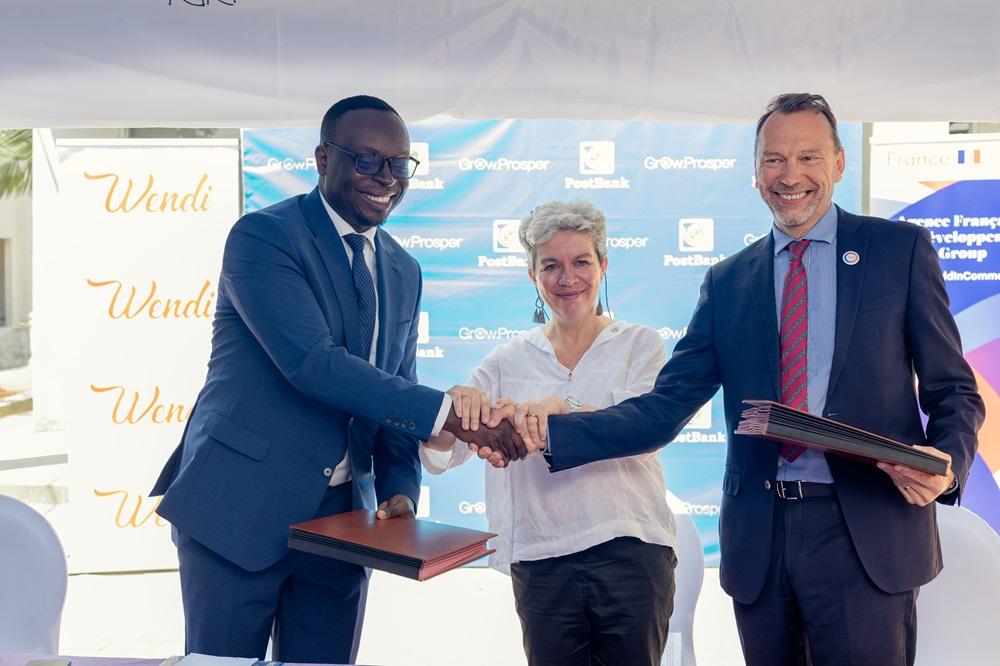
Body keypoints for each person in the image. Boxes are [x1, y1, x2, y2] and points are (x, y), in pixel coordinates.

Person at [501, 94, 984, 665]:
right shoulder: (729, 280)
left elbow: (953, 389)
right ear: (756, 173)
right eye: (774, 160)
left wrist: (944, 461)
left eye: (808, 157)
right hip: (764, 538)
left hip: (865, 534)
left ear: (838, 164)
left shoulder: (896, 251)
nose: (791, 176)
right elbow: (664, 407)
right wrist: (552, 434)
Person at [150, 94, 524, 663]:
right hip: (237, 511)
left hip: (344, 524)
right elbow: (312, 364)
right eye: (367, 160)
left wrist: (401, 487)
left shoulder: (403, 267)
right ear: (323, 158)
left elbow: (394, 382)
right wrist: (452, 419)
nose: (385, 178)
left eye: (399, 165)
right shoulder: (263, 237)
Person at [421, 200, 678, 666]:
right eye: (551, 266)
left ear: (603, 264)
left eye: (581, 262)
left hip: (631, 552)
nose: (567, 278)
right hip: (541, 558)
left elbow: (647, 426)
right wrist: (455, 408)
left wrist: (563, 409)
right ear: (532, 276)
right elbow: (444, 450)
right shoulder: (507, 358)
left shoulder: (640, 344)